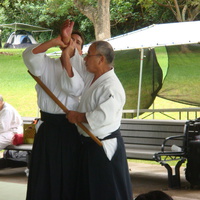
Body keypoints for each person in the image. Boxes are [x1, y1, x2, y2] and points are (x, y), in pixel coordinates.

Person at [62, 40, 133, 200]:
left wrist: (78, 116)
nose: (85, 59)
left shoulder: (111, 86)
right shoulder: (92, 76)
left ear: (100, 59)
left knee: (107, 192)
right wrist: (68, 43)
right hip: (90, 146)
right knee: (88, 191)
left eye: (88, 55)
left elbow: (103, 115)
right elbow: (77, 63)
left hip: (103, 147)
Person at [22, 20, 85, 200]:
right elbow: (29, 57)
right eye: (69, 40)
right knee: (44, 175)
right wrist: (56, 41)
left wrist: (67, 59)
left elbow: (74, 89)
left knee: (69, 175)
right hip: (48, 128)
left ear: (81, 51)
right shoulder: (46, 65)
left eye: (77, 43)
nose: (71, 43)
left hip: (70, 128)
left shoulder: (83, 71)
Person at [0, 95, 27, 168]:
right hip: (5, 132)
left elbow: (3, 127)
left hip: (12, 133)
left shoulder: (7, 110)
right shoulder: (2, 108)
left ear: (0, 102)